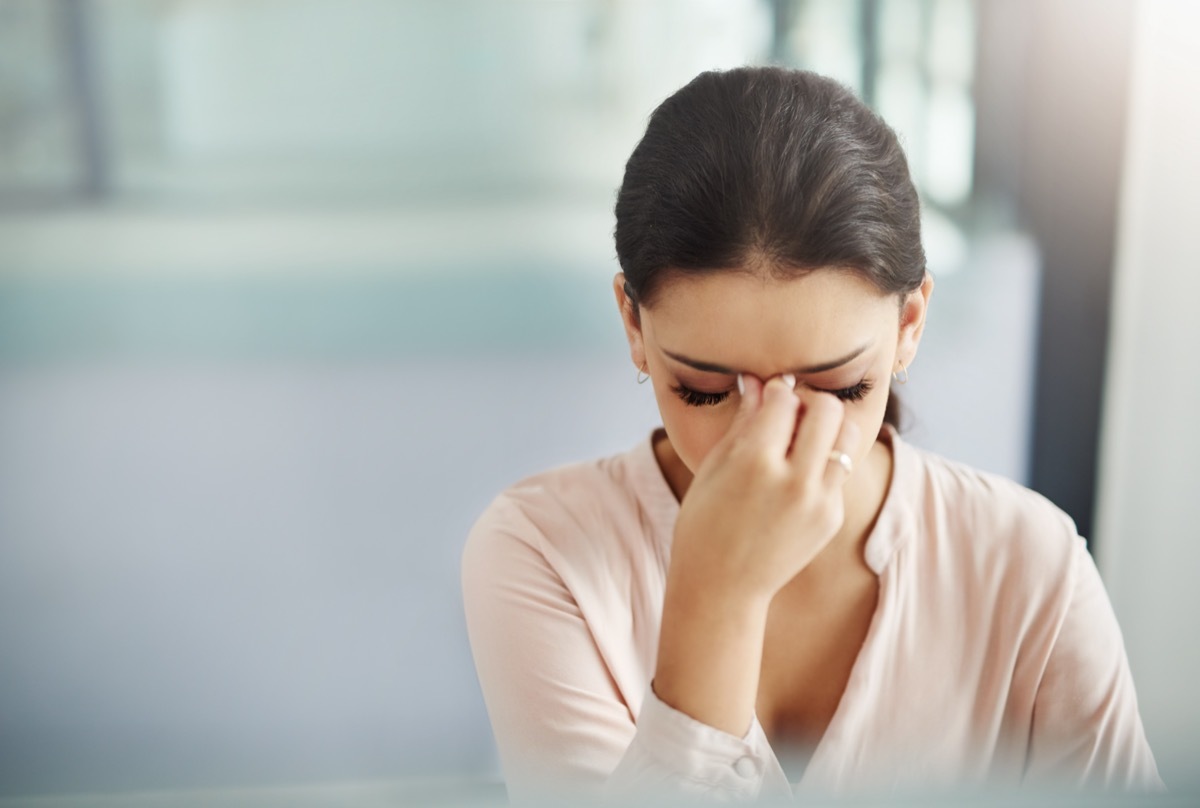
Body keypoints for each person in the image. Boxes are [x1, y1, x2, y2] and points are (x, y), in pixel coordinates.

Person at [460, 67, 1162, 803]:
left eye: (837, 388)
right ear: (634, 325)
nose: (769, 434)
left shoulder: (1030, 568)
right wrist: (715, 599)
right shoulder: (542, 552)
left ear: (909, 327)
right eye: (704, 389)